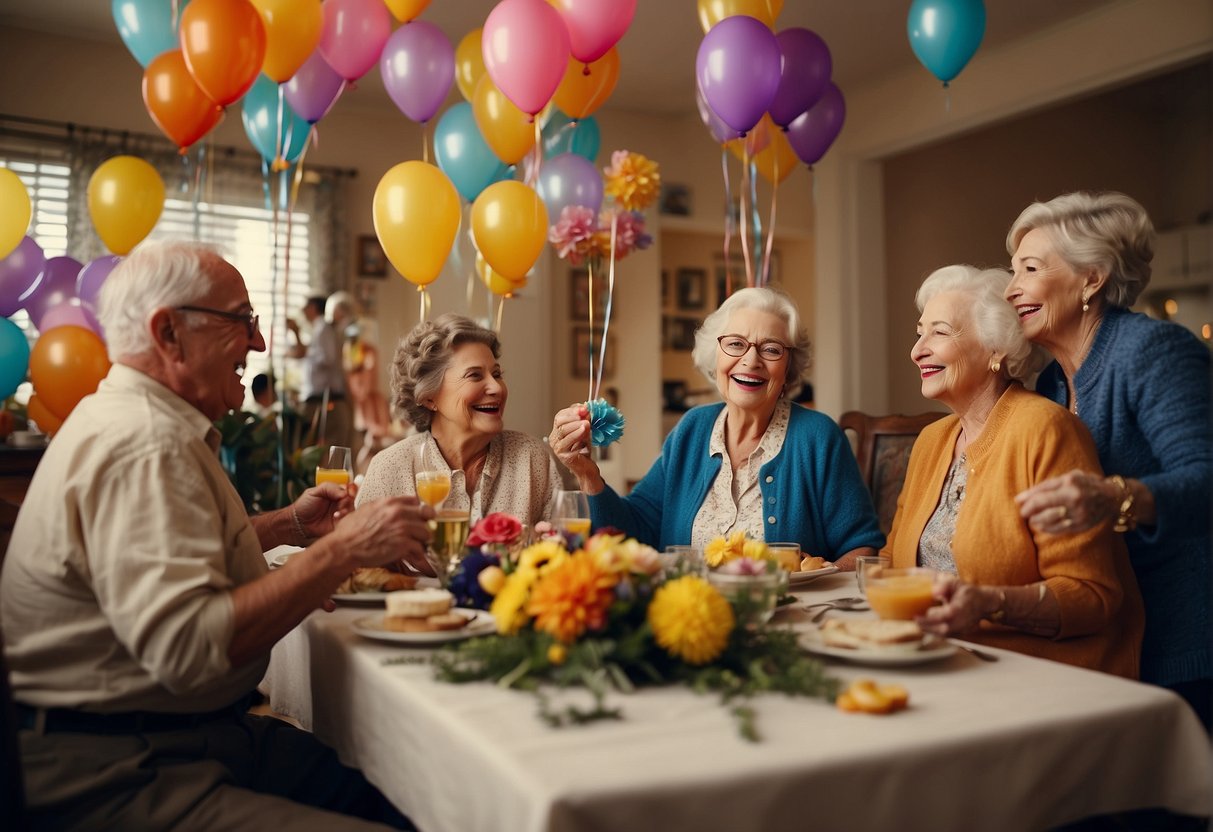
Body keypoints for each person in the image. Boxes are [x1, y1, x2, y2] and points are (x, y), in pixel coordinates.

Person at [1, 241, 434, 830]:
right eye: (241, 321)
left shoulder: (145, 421)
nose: (258, 343)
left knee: (410, 784)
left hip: (187, 736)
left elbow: (181, 545)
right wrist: (343, 550)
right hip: (118, 772)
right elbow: (190, 651)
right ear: (169, 333)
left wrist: (292, 525)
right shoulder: (143, 444)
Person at [1005, 192, 1211, 719]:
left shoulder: (1151, 350)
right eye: (1013, 271)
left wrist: (1114, 497)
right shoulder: (1051, 382)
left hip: (1183, 635)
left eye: (1029, 269)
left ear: (1091, 279)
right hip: (1107, 627)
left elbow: (1205, 478)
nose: (1011, 290)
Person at [886, 265, 1143, 678]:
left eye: (939, 332)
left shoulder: (1046, 430)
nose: (917, 350)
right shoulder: (932, 440)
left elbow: (1092, 595)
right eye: (919, 333)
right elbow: (890, 563)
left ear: (995, 350)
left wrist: (989, 603)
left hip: (1034, 673)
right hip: (936, 664)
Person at [551, 286, 883, 557]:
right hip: (688, 617)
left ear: (788, 369)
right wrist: (587, 473)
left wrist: (813, 583)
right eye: (736, 344)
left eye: (771, 349)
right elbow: (635, 529)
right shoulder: (692, 429)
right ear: (716, 357)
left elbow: (861, 549)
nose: (750, 361)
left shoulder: (817, 437)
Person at [356, 313, 560, 526]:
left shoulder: (532, 459)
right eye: (475, 375)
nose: (497, 387)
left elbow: (576, 548)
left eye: (497, 374)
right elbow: (359, 556)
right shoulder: (390, 468)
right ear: (429, 397)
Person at [288, 292, 353, 449]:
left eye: (305, 307)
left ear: (313, 307)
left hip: (326, 397)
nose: (302, 311)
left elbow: (328, 358)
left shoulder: (323, 327)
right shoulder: (318, 329)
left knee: (328, 448)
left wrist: (306, 353)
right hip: (318, 397)